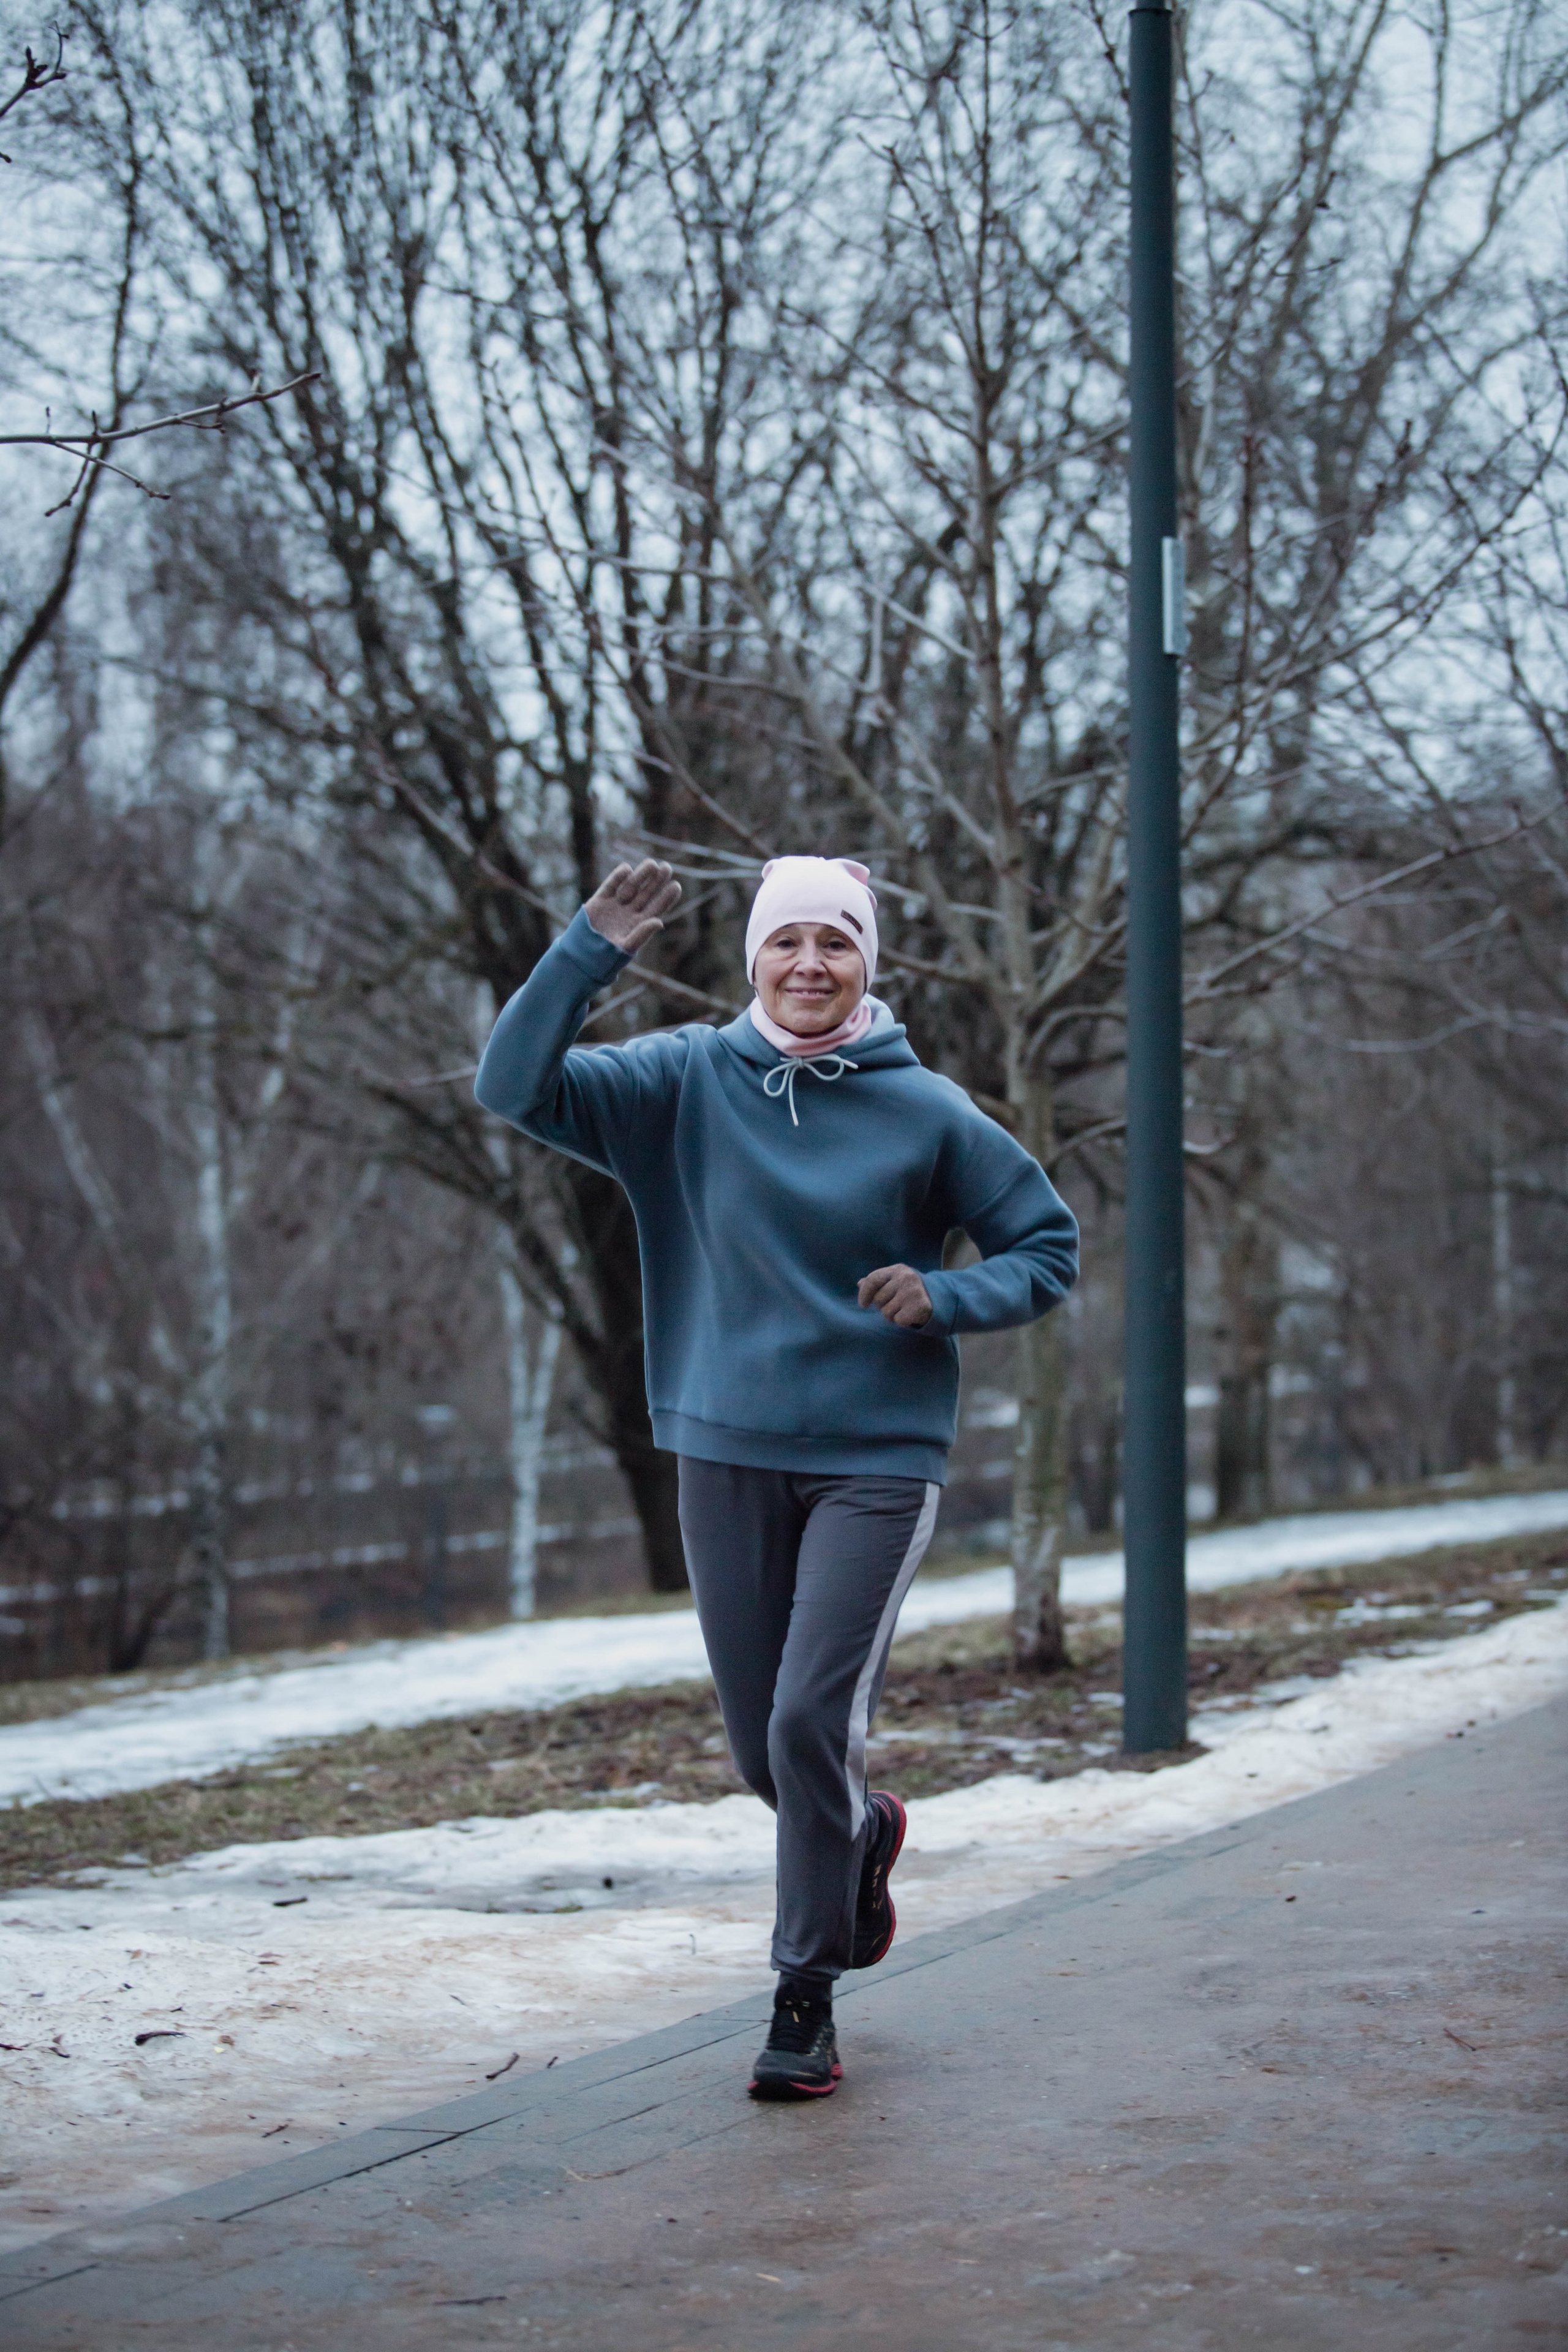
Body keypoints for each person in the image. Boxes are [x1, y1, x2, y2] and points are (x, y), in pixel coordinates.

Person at [475, 854, 1079, 2100]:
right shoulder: (679, 1082)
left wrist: (948, 1296)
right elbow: (511, 1085)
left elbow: (1045, 1245)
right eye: (787, 940)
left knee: (811, 1723)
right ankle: (860, 1835)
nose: (810, 964)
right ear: (753, 956)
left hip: (874, 1458)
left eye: (836, 942)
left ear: (868, 963)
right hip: (724, 1447)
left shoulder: (928, 1111)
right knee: (766, 1753)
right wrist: (589, 950)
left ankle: (804, 1997)